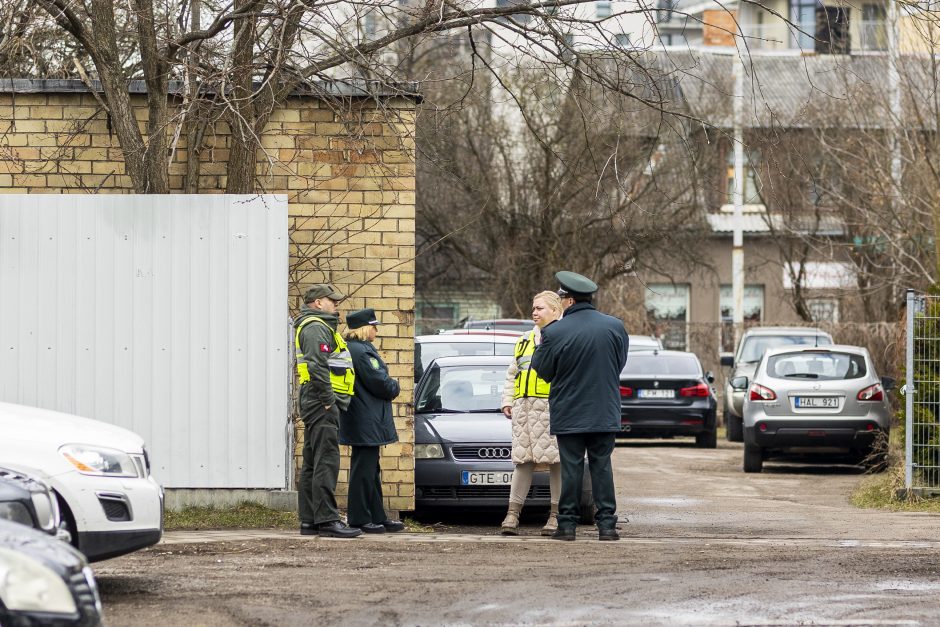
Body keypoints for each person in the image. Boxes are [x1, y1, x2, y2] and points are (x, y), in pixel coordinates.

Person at [530, 271, 630, 541]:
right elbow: (619, 364)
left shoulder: (554, 332)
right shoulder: (615, 326)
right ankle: (607, 525)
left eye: (562, 298)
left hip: (570, 411)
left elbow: (543, 372)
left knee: (572, 468)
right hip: (604, 410)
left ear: (569, 301)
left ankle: (567, 526)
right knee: (602, 466)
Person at [295, 284, 362, 538]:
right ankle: (327, 520)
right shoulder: (315, 328)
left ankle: (310, 520)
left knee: (314, 460)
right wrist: (327, 399)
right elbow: (317, 366)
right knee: (326, 460)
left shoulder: (320, 326)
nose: (336, 305)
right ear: (318, 303)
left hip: (317, 400)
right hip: (321, 401)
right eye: (331, 301)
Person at [498, 291, 564, 536]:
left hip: (551, 408)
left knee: (557, 463)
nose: (534, 312)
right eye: (533, 308)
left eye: (540, 308)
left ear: (555, 311)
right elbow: (512, 374)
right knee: (523, 461)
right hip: (524, 410)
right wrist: (508, 401)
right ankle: (512, 514)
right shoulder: (524, 339)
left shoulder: (562, 338)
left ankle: (555, 516)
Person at [339, 308, 406, 534]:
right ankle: (359, 518)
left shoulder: (358, 349)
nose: (376, 330)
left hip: (364, 417)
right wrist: (395, 386)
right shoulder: (361, 352)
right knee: (363, 471)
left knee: (370, 469)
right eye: (374, 326)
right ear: (365, 328)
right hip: (365, 418)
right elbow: (380, 382)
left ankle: (377, 516)